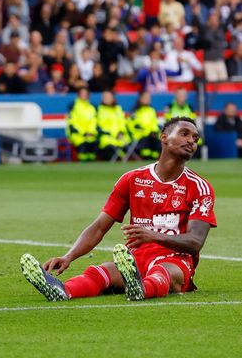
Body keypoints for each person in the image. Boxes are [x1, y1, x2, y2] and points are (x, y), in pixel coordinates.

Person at [21, 117, 216, 302]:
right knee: (100, 273)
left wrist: (154, 236)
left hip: (175, 258)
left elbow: (195, 242)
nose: (191, 141)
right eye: (184, 134)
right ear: (164, 137)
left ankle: (140, 288)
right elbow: (99, 227)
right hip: (136, 258)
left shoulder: (199, 187)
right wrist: (69, 256)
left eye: (195, 138)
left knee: (162, 272)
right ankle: (62, 291)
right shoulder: (132, 179)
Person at [66, 87, 98, 161]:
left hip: (91, 134)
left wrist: (91, 132)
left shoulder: (92, 107)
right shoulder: (73, 107)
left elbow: (94, 122)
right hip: (77, 134)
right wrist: (83, 133)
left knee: (94, 144)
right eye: (82, 93)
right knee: (83, 146)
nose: (84, 95)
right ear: (78, 95)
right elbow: (73, 123)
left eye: (85, 93)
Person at [97, 90, 130, 160]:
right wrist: (115, 134)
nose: (106, 98)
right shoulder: (100, 110)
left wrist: (121, 132)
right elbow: (102, 126)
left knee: (129, 145)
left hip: (121, 136)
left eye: (108, 96)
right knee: (109, 150)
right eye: (104, 97)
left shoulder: (118, 108)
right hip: (108, 138)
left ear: (113, 97)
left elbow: (122, 122)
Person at [127, 91, 161, 160]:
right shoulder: (135, 111)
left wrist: (154, 131)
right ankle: (146, 158)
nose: (147, 99)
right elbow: (131, 124)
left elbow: (154, 123)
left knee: (157, 140)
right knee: (147, 139)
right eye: (145, 97)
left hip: (152, 134)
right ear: (140, 98)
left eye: (149, 98)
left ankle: (154, 159)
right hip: (139, 136)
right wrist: (147, 131)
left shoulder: (152, 110)